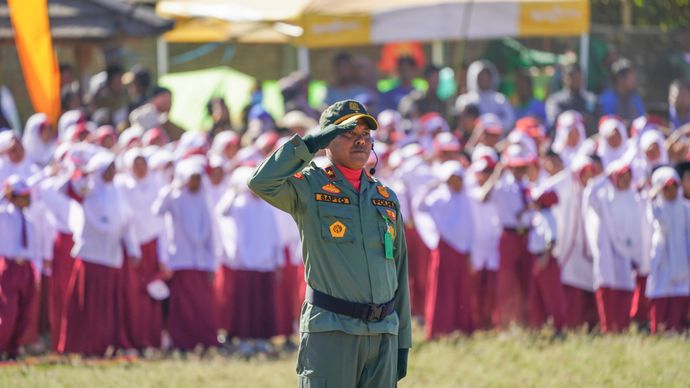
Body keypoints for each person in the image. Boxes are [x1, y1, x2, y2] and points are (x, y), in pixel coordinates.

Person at [248, 99, 411, 387]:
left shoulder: (386, 196)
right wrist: (308, 145)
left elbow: (399, 271)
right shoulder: (310, 186)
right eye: (349, 132)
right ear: (327, 139)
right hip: (332, 333)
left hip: (383, 333)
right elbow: (262, 182)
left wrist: (402, 341)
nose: (360, 140)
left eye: (365, 134)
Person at [59, 151, 140, 356]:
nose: (113, 172)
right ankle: (85, 346)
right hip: (91, 256)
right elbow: (63, 188)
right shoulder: (88, 189)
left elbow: (126, 223)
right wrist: (81, 173)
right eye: (109, 168)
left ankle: (105, 344)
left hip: (111, 257)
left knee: (106, 308)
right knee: (88, 305)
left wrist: (133, 249)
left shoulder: (117, 192)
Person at [152, 158, 218, 351]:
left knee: (202, 306)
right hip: (180, 260)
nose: (195, 182)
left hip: (201, 263)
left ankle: (205, 340)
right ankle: (181, 342)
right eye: (192, 178)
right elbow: (157, 210)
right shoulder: (175, 197)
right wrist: (171, 187)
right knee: (182, 307)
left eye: (198, 178)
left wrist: (212, 265)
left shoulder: (204, 200)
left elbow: (210, 236)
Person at [217, 165, 283, 357]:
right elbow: (221, 211)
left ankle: (262, 340)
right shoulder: (238, 204)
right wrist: (233, 189)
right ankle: (244, 340)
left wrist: (277, 261)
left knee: (263, 305)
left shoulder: (267, 204)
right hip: (244, 262)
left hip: (265, 263)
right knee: (245, 305)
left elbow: (275, 235)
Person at [584, 160, 645, 333]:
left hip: (627, 250)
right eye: (621, 176)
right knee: (607, 287)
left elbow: (638, 228)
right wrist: (605, 177)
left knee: (625, 288)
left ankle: (622, 326)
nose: (625, 181)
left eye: (627, 177)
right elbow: (590, 194)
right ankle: (608, 327)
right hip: (608, 250)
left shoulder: (634, 198)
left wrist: (635, 252)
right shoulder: (604, 198)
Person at [544, 155, 599, 329]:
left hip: (589, 244)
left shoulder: (593, 190)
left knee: (590, 285)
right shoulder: (568, 187)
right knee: (573, 285)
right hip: (572, 243)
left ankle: (591, 323)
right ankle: (572, 323)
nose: (588, 178)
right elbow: (547, 191)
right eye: (585, 173)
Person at [421, 161, 474, 339]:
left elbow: (470, 227)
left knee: (461, 290)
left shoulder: (465, 199)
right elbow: (421, 207)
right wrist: (429, 187)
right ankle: (439, 328)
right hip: (445, 249)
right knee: (442, 290)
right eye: (453, 179)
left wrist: (470, 250)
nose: (457, 183)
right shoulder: (439, 197)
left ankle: (461, 327)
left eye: (459, 179)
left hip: (461, 251)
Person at [645, 167, 690, 333]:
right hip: (663, 258)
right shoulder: (656, 207)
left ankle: (677, 327)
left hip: (681, 258)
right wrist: (653, 197)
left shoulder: (685, 208)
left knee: (680, 293)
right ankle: (658, 328)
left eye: (674, 188)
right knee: (661, 290)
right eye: (666, 188)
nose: (670, 192)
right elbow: (657, 222)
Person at [0, 176, 40, 359]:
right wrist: (5, 195)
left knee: (25, 312)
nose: (27, 199)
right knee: (8, 311)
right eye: (22, 196)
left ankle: (13, 348)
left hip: (26, 268)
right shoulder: (4, 215)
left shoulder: (30, 220)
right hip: (9, 266)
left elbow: (34, 248)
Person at [526, 188, 567, 332]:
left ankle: (559, 327)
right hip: (536, 258)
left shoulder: (548, 217)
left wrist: (545, 256)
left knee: (553, 295)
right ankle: (537, 326)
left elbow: (552, 240)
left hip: (545, 259)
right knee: (535, 295)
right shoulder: (537, 216)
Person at [455, 60, 515, 130]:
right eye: (481, 76)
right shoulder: (465, 100)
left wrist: (493, 127)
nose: (484, 79)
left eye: (486, 76)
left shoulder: (501, 100)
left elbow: (510, 120)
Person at [545, 63, 599, 134]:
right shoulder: (555, 100)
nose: (576, 81)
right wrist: (579, 118)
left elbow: (598, 121)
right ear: (564, 79)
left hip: (587, 140)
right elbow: (554, 121)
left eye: (578, 77)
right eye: (572, 77)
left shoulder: (591, 99)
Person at [599, 58, 645, 125]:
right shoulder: (607, 99)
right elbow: (607, 124)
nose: (634, 79)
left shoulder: (635, 98)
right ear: (620, 78)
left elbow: (642, 120)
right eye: (631, 76)